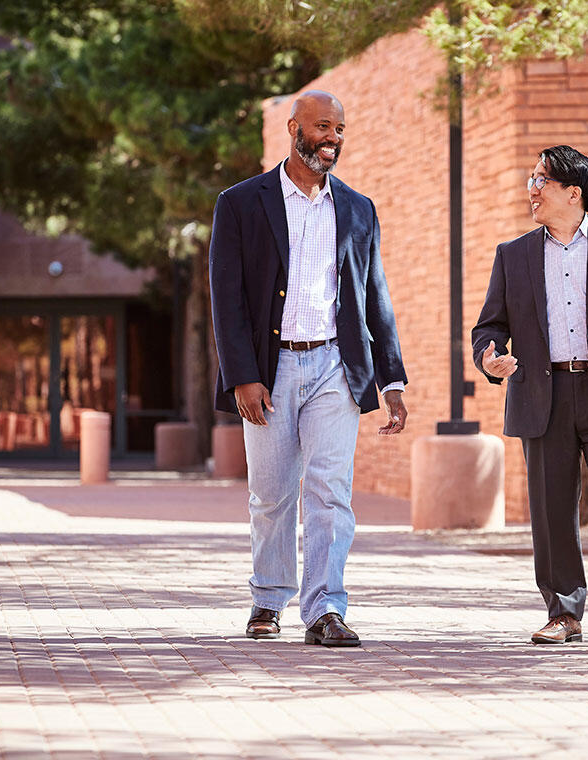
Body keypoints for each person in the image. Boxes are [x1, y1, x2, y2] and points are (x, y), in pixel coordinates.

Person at [209, 90, 408, 648]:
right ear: (294, 128)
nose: (333, 138)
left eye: (340, 129)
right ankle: (268, 597)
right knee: (272, 493)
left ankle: (325, 608)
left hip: (334, 367)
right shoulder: (242, 203)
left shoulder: (357, 208)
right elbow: (227, 297)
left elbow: (375, 297)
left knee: (329, 491)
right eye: (323, 127)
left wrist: (390, 380)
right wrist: (241, 374)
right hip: (269, 371)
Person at [471, 145, 588, 646]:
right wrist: (490, 359)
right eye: (531, 178)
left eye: (541, 180)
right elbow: (489, 326)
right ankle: (564, 613)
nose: (530, 188)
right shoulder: (512, 256)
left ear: (572, 192)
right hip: (543, 394)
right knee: (552, 510)